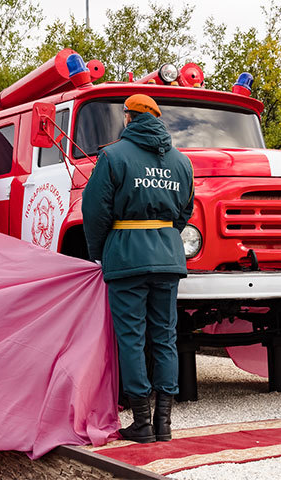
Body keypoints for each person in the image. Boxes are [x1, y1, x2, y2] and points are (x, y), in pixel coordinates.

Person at [82, 94, 194, 443]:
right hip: (168, 258)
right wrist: (163, 238)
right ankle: (165, 424)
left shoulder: (112, 156)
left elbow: (95, 211)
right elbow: (184, 212)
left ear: (128, 118)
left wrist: (102, 251)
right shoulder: (182, 162)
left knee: (131, 339)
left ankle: (142, 423)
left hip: (126, 258)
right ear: (158, 120)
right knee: (165, 338)